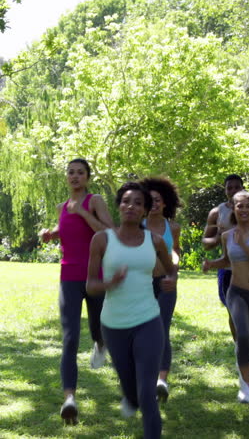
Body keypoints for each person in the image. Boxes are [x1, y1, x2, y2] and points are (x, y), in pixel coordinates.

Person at [87, 182, 178, 439]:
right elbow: (91, 285)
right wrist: (109, 283)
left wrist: (172, 279)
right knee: (131, 389)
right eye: (126, 201)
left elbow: (171, 268)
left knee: (147, 392)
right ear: (119, 206)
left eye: (138, 203)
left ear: (145, 211)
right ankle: (130, 397)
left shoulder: (156, 240)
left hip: (148, 320)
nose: (131, 206)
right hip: (113, 325)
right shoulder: (102, 240)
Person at [40, 158, 114, 424]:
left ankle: (100, 342)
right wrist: (52, 233)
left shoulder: (94, 201)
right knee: (70, 338)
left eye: (80, 173)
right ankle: (69, 398)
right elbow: (68, 230)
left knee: (97, 327)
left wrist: (83, 212)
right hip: (68, 276)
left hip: (95, 276)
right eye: (70, 172)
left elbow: (109, 231)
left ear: (87, 177)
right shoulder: (62, 206)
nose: (74, 176)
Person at [203, 190, 249, 403]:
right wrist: (212, 264)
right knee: (243, 335)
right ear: (234, 209)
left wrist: (243, 243)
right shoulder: (227, 236)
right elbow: (227, 260)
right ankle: (245, 386)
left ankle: (248, 360)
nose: (244, 210)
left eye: (248, 206)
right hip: (236, 291)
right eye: (240, 206)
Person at [202, 174, 249, 340]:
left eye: (237, 187)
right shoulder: (216, 212)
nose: (233, 190)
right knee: (233, 311)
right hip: (228, 269)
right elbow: (206, 243)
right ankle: (240, 346)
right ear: (225, 191)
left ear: (243, 188)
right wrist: (219, 236)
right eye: (229, 187)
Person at [140, 176, 181, 401]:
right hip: (142, 285)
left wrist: (174, 265)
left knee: (161, 328)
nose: (154, 204)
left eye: (158, 200)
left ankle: (161, 381)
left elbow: (175, 250)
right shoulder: (137, 226)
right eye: (150, 200)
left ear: (165, 203)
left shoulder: (172, 227)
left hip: (166, 282)